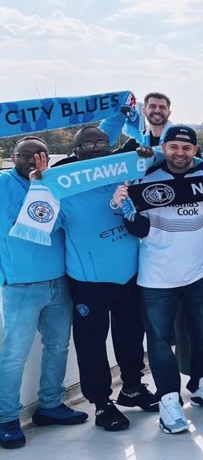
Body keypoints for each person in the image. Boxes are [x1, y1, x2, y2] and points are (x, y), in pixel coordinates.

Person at [33, 127, 160, 432]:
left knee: (131, 335)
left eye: (102, 143)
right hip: (90, 281)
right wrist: (40, 188)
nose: (95, 148)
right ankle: (102, 403)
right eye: (86, 144)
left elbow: (159, 164)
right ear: (75, 152)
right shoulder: (62, 189)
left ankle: (132, 387)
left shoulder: (124, 178)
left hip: (129, 276)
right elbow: (40, 227)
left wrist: (146, 155)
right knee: (91, 344)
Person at [112, 125, 203, 435]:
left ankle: (201, 384)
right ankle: (168, 400)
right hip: (156, 277)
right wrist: (124, 204)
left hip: (199, 275)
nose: (180, 153)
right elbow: (139, 229)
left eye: (187, 147)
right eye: (174, 147)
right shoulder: (145, 180)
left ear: (195, 150)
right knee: (159, 341)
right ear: (163, 147)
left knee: (202, 333)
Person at [1, 137, 87, 450]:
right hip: (21, 284)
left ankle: (50, 405)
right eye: (25, 154)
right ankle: (6, 417)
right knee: (14, 354)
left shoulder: (55, 184)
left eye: (40, 155)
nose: (32, 159)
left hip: (59, 281)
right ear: (13, 157)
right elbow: (24, 222)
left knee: (58, 346)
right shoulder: (2, 185)